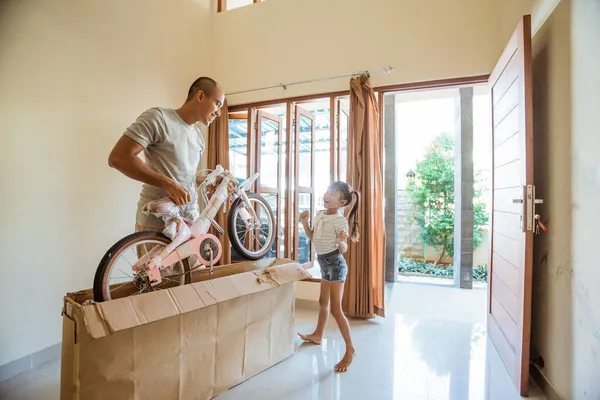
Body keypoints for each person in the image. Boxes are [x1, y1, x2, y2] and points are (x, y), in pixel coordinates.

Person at [108, 77, 225, 233]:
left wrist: (205, 182)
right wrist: (168, 184)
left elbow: (182, 178)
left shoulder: (198, 137)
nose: (219, 112)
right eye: (217, 104)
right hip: (156, 224)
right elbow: (118, 158)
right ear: (200, 96)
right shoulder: (158, 118)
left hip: (189, 223)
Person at [298, 181, 361, 373]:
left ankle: (350, 349)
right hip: (323, 263)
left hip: (335, 264)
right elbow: (313, 237)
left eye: (333, 194)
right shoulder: (319, 214)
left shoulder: (340, 221)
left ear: (341, 202)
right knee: (322, 302)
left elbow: (343, 249)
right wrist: (304, 223)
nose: (328, 195)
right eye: (328, 191)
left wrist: (342, 241)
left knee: (335, 309)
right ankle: (317, 335)